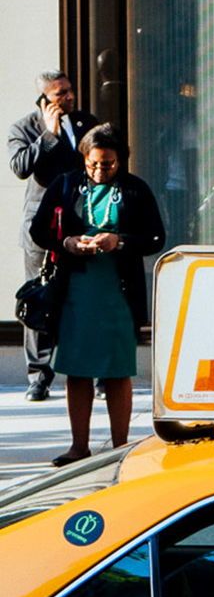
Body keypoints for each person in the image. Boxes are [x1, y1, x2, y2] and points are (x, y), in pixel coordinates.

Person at [31, 122, 164, 467]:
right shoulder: (65, 184)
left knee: (118, 369)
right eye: (93, 164)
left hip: (117, 292)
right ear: (84, 159)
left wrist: (118, 241)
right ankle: (79, 446)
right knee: (77, 368)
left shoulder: (135, 189)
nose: (100, 170)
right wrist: (68, 243)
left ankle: (120, 445)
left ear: (121, 160)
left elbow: (155, 238)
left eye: (108, 164)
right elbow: (38, 230)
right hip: (76, 289)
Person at [8, 70, 98, 402]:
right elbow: (19, 167)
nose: (69, 97)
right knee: (40, 298)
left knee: (87, 298)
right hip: (42, 227)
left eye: (70, 91)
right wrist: (48, 134)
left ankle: (96, 372)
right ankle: (39, 376)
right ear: (44, 100)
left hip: (83, 222)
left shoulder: (86, 124)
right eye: (60, 94)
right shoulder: (24, 128)